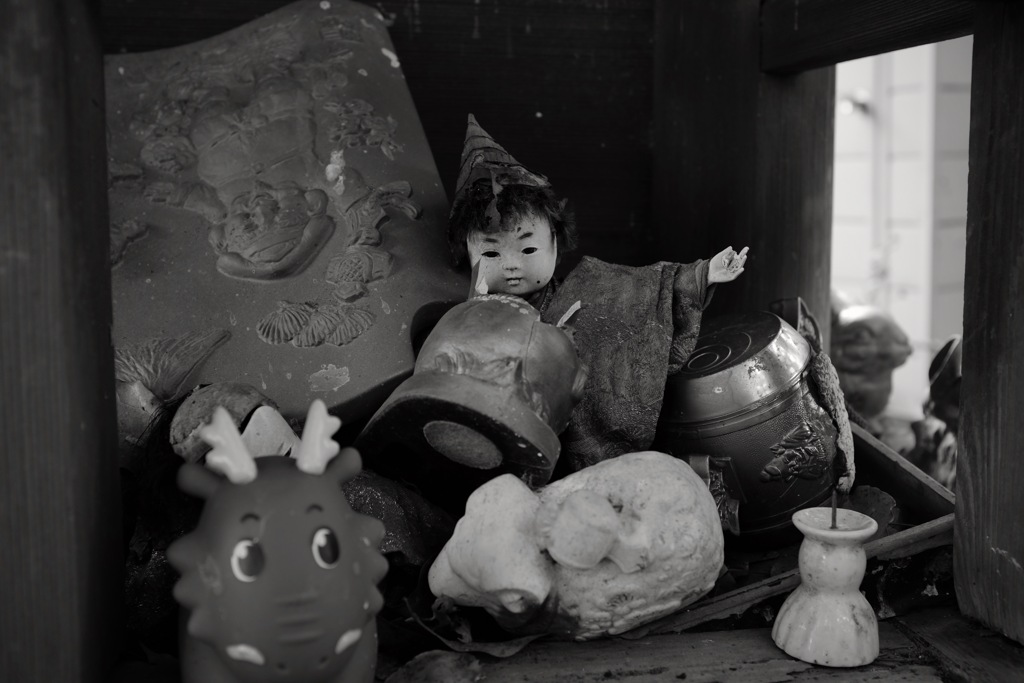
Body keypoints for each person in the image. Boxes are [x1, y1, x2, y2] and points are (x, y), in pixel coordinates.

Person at [448, 115, 749, 473]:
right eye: (493, 253)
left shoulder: (592, 290)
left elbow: (646, 290)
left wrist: (703, 274)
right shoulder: (467, 318)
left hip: (586, 451)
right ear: (468, 255)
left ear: (555, 246)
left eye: (528, 250)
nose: (512, 266)